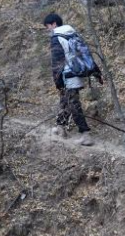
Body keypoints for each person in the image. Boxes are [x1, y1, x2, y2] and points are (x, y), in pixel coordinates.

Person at [43, 13, 102, 146]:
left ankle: (85, 134)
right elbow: (86, 53)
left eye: (48, 26)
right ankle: (60, 128)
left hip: (68, 75)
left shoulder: (57, 38)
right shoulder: (73, 34)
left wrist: (57, 81)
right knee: (66, 100)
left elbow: (57, 62)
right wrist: (95, 70)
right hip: (78, 72)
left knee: (73, 104)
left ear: (53, 24)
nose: (48, 29)